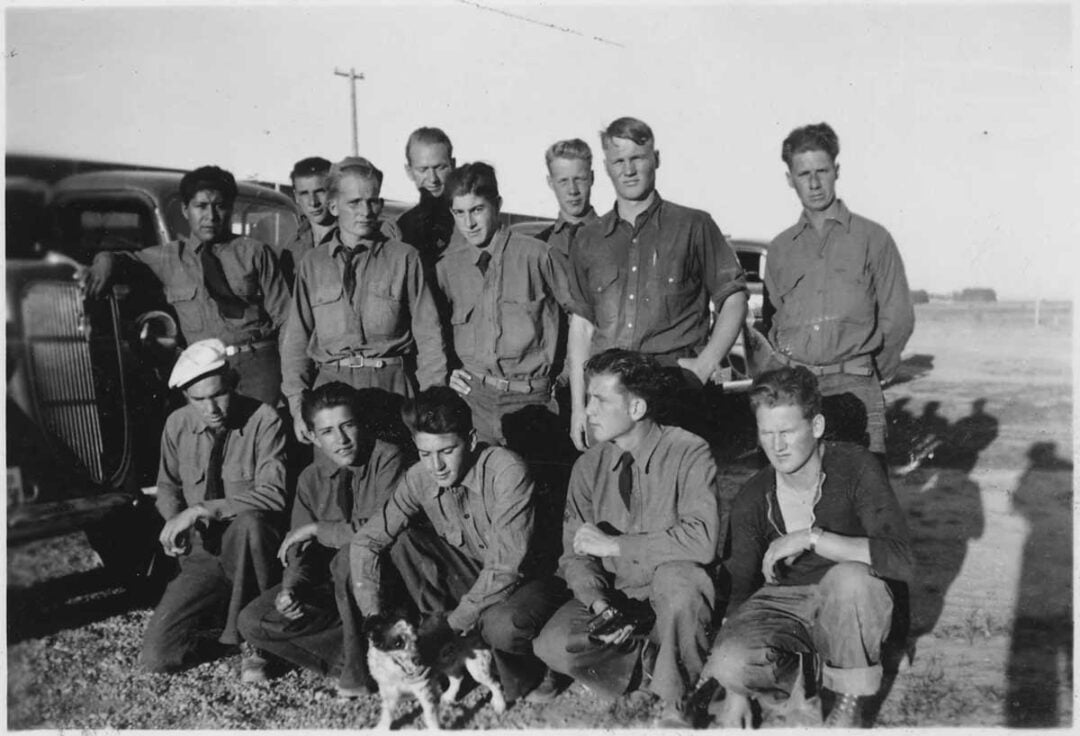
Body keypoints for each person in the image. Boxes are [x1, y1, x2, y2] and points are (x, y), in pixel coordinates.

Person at [702, 366, 913, 728]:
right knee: (728, 661)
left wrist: (812, 537)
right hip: (786, 604)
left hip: (846, 599)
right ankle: (808, 673)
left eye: (787, 432)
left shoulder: (855, 466)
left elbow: (901, 559)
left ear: (815, 427)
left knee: (851, 580)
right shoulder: (753, 496)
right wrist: (735, 691)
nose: (776, 446)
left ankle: (849, 700)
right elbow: (739, 595)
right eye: (766, 433)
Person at [532, 349, 720, 724]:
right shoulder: (588, 466)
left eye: (599, 400)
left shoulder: (689, 451)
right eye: (587, 400)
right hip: (620, 595)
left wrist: (616, 545)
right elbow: (575, 554)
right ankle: (655, 663)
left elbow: (701, 540)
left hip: (668, 589)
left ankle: (676, 700)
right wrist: (599, 604)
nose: (587, 412)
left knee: (682, 585)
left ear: (636, 408)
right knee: (553, 646)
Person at [350, 387, 568, 705]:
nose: (436, 465)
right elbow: (367, 541)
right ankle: (453, 658)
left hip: (530, 577)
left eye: (447, 450)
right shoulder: (418, 477)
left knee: (503, 627)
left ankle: (536, 669)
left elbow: (506, 569)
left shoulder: (507, 471)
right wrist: (373, 620)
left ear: (471, 438)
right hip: (478, 573)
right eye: (425, 453)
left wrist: (447, 627)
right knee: (405, 543)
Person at [565, 117, 748, 451]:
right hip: (610, 395)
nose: (629, 169)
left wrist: (705, 366)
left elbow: (733, 297)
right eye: (619, 161)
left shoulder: (694, 226)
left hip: (674, 390)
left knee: (675, 494)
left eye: (638, 158)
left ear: (656, 159)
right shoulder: (589, 239)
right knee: (614, 496)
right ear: (606, 168)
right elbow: (581, 326)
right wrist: (579, 407)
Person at [237, 382, 406, 696]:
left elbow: (383, 528)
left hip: (383, 583)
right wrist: (291, 588)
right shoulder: (311, 479)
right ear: (313, 437)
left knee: (348, 557)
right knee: (252, 620)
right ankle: (369, 658)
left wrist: (319, 529)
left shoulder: (387, 459)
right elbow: (297, 552)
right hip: (333, 589)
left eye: (348, 426)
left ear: (362, 424)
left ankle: (358, 675)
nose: (340, 440)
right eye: (327, 432)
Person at [139, 338, 289, 681]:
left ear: (233, 384)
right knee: (158, 657)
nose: (212, 408)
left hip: (252, 553)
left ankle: (257, 642)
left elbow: (274, 493)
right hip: (204, 556)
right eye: (199, 399)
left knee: (250, 523)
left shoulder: (264, 420)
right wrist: (174, 519)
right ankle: (228, 630)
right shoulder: (178, 424)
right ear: (186, 398)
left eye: (218, 394)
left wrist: (203, 509)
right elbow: (167, 486)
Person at [763, 122, 915, 456]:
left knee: (862, 496)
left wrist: (869, 372)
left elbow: (898, 317)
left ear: (837, 171)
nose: (814, 184)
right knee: (796, 498)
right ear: (790, 179)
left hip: (856, 387)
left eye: (822, 171)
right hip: (796, 392)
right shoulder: (780, 249)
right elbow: (773, 324)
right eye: (804, 174)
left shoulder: (873, 239)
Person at [85, 165, 290, 406]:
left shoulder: (255, 253)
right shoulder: (169, 258)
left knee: (262, 436)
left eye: (220, 206)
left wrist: (290, 377)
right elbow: (126, 260)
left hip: (257, 367)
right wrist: (105, 258)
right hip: (204, 373)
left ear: (231, 209)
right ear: (185, 210)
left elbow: (287, 318)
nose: (211, 216)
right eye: (201, 206)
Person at [280, 156, 447, 444]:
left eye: (373, 201)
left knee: (392, 475)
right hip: (331, 394)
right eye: (354, 203)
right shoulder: (313, 264)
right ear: (333, 206)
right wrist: (297, 406)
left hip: (391, 389)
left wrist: (432, 402)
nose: (366, 211)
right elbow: (296, 342)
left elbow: (430, 337)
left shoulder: (403, 258)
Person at [436, 162, 563, 449]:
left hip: (530, 400)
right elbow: (434, 331)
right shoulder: (448, 268)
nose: (469, 223)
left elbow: (579, 319)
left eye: (477, 210)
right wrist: (449, 370)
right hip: (473, 399)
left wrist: (562, 383)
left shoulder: (537, 256)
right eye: (459, 213)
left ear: (497, 205)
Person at [279, 156, 401, 290]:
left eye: (320, 192)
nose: (313, 202)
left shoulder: (364, 233)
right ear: (296, 197)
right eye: (304, 194)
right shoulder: (292, 247)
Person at [535, 138, 600, 283]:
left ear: (592, 178)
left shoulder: (617, 238)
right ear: (551, 183)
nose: (573, 190)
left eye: (579, 179)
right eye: (563, 181)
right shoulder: (538, 246)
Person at [397, 127, 458, 271]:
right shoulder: (402, 226)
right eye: (423, 170)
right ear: (409, 171)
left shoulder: (470, 218)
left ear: (453, 165)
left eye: (440, 167)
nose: (433, 179)